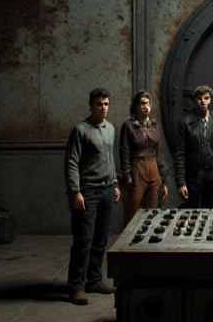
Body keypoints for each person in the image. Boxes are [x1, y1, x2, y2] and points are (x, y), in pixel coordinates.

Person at [63, 87, 121, 306]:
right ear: (91, 106)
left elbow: (110, 159)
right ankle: (76, 286)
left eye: (106, 104)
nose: (103, 108)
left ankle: (94, 279)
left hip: (107, 189)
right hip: (88, 192)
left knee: (100, 240)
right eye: (99, 104)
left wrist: (115, 184)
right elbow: (71, 162)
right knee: (83, 241)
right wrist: (75, 192)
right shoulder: (80, 130)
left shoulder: (110, 129)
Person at [174, 84, 213, 208]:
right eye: (199, 98)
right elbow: (180, 154)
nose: (203, 101)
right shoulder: (186, 123)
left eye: (206, 98)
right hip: (194, 176)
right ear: (195, 101)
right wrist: (181, 183)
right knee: (191, 211)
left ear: (210, 99)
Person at [118, 90, 167, 225]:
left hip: (153, 167)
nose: (146, 106)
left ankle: (149, 241)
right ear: (136, 106)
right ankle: (128, 242)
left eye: (148, 103)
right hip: (137, 167)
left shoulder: (153, 125)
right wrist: (127, 175)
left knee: (153, 208)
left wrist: (162, 178)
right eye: (142, 103)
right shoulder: (128, 126)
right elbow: (125, 152)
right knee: (133, 208)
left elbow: (158, 153)